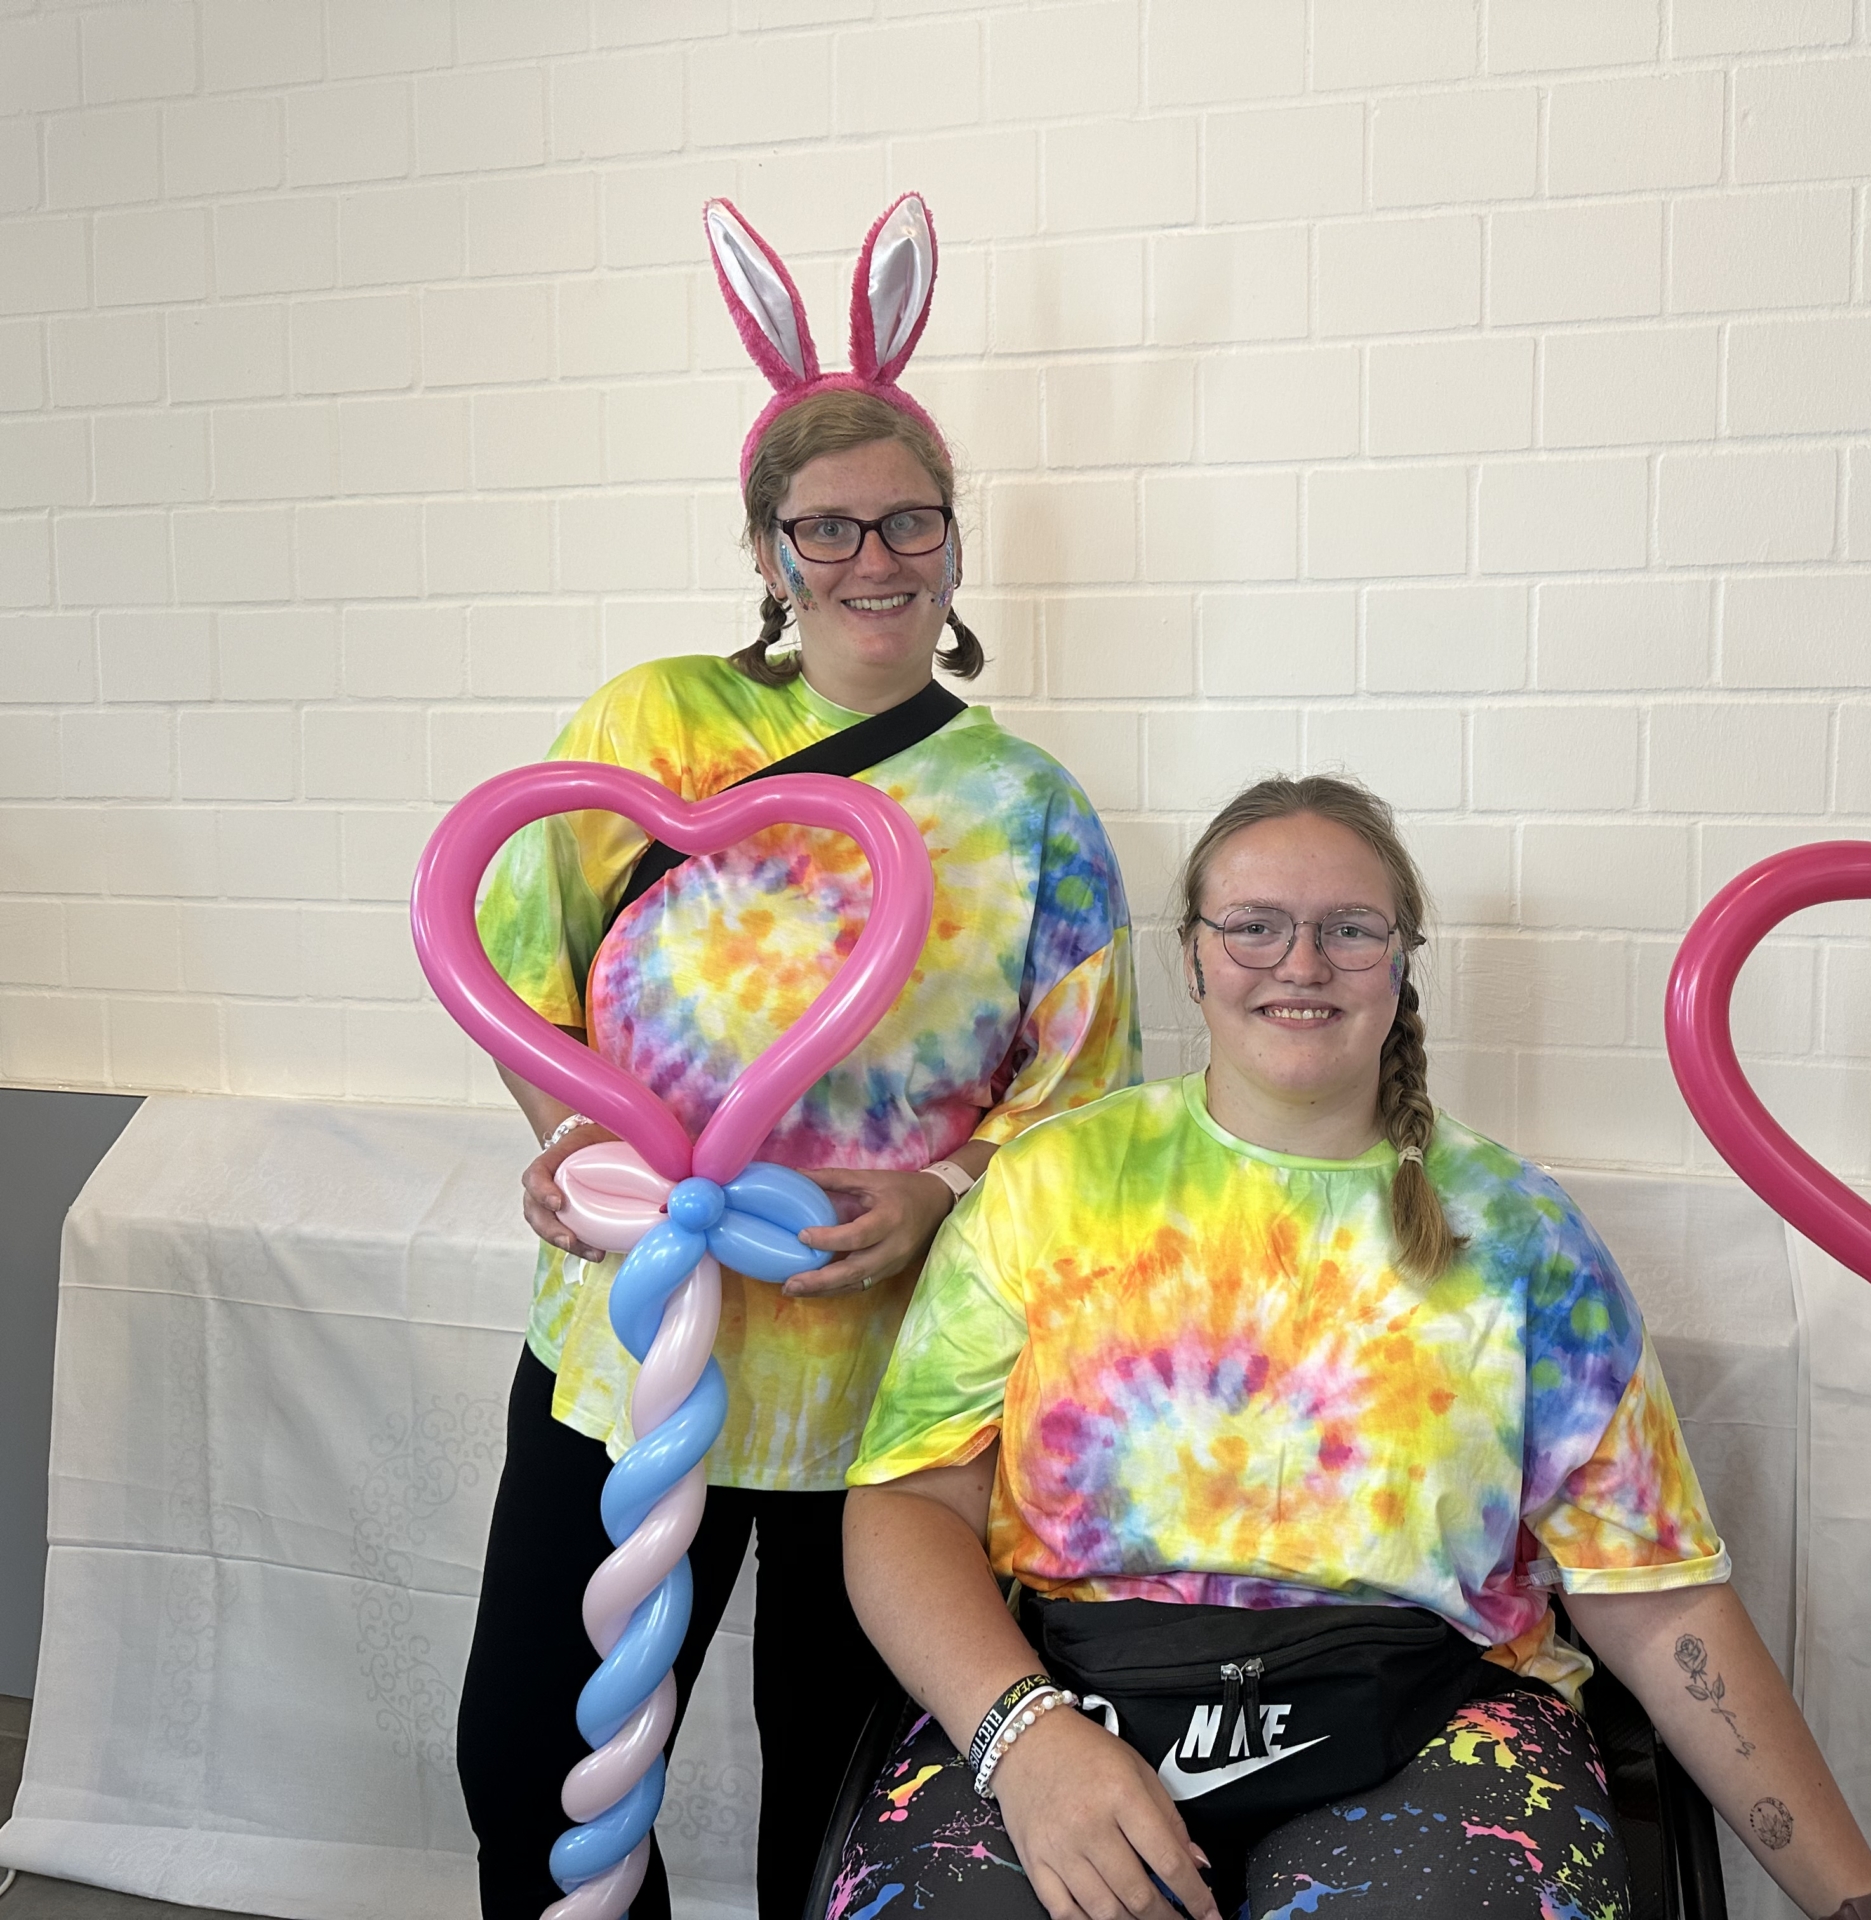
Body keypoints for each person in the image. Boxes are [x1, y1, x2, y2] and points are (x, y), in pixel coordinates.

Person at [829, 776, 1871, 1920]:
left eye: (1348, 929)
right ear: (1192, 959)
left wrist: (1860, 1903)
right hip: (1070, 1698)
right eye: (1254, 925)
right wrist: (1021, 1735)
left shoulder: (1516, 1230)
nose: (1301, 963)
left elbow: (1658, 1599)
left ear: (1399, 962)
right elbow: (910, 1503)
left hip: (1435, 1724)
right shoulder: (1048, 1186)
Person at [453, 193, 1142, 1919]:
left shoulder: (1029, 808)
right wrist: (574, 1144)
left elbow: (1078, 1099)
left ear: (956, 544)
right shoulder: (649, 726)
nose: (874, 558)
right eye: (826, 526)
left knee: (842, 1816)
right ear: (766, 549)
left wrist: (940, 1193)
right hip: (632, 1342)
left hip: (884, 1396)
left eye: (911, 520)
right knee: (530, 1761)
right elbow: (518, 968)